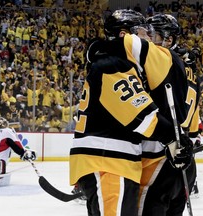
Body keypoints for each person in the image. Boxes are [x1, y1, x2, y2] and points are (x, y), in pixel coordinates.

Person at [69, 9, 193, 216]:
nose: (147, 38)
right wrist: (174, 139)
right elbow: (143, 117)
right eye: (142, 32)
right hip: (107, 160)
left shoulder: (115, 63)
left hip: (115, 161)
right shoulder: (112, 65)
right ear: (124, 35)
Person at [136, 13, 201, 216]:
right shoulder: (189, 68)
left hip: (159, 155)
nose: (146, 39)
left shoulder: (160, 63)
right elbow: (192, 117)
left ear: (169, 39)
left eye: (152, 35)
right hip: (184, 158)